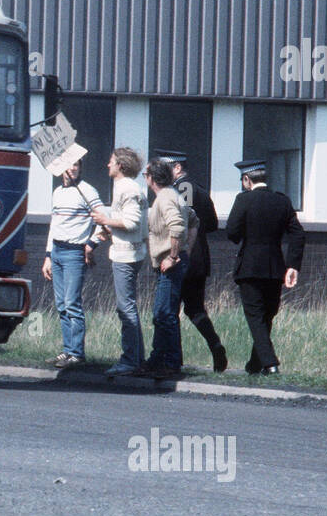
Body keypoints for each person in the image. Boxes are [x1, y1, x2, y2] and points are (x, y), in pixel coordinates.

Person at [225, 159, 305, 375]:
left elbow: (232, 232)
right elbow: (298, 234)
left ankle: (270, 364)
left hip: (250, 267)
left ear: (246, 179)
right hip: (275, 267)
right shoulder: (282, 201)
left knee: (255, 315)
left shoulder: (243, 200)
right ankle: (255, 364)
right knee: (266, 315)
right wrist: (292, 265)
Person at [154, 149, 227, 372]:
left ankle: (170, 359)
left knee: (168, 309)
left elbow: (181, 222)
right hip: (199, 259)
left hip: (181, 256)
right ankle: (215, 346)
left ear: (177, 168)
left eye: (166, 168)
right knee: (195, 309)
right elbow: (213, 224)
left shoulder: (181, 189)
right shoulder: (201, 191)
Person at [40, 156, 107, 369]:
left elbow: (103, 220)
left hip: (74, 253)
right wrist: (48, 256)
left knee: (72, 303)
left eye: (76, 165)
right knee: (61, 304)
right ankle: (67, 350)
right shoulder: (58, 192)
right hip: (58, 250)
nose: (72, 168)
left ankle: (77, 353)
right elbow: (54, 225)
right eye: (69, 165)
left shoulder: (87, 191)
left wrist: (91, 244)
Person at [93, 147, 148, 376]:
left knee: (125, 308)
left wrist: (107, 219)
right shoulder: (128, 188)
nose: (108, 165)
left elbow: (132, 222)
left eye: (111, 161)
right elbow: (128, 223)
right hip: (130, 251)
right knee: (128, 307)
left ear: (121, 166)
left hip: (126, 255)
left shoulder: (127, 188)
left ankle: (129, 361)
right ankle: (137, 358)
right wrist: (109, 228)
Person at [143, 159, 188, 379]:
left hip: (169, 263)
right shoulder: (174, 194)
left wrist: (174, 256)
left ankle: (170, 363)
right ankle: (158, 358)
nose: (145, 178)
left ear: (152, 178)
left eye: (146, 174)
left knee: (165, 313)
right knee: (162, 313)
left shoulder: (164, 198)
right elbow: (195, 222)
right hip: (170, 261)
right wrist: (187, 250)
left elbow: (178, 225)